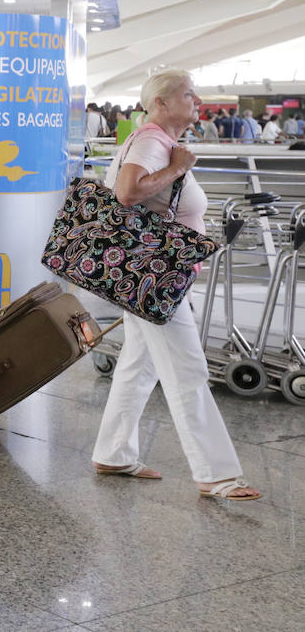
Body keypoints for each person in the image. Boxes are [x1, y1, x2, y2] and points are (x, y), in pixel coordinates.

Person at [91, 70, 260, 501]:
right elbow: (128, 193)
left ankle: (113, 452)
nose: (197, 99)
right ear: (161, 103)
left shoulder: (159, 142)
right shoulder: (152, 141)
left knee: (138, 365)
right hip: (151, 277)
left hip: (146, 272)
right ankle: (216, 474)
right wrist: (179, 167)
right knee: (186, 370)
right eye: (188, 94)